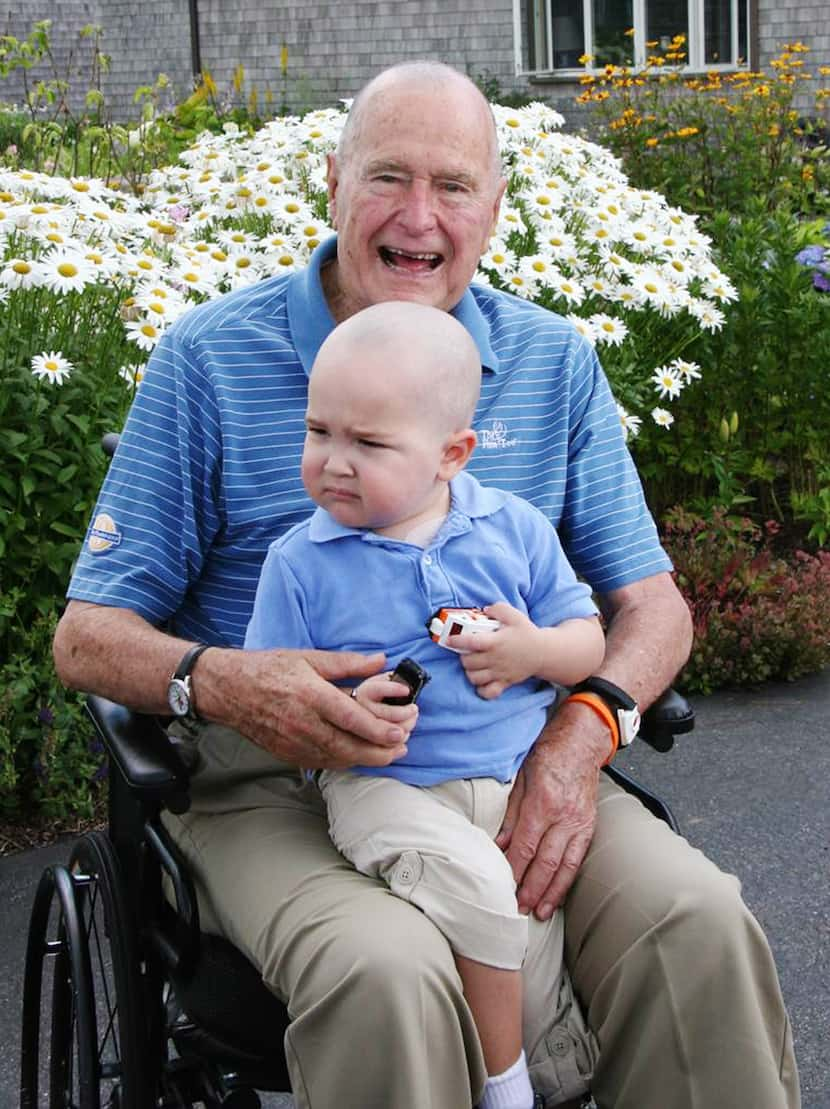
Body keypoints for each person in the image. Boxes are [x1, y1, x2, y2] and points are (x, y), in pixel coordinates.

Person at [53, 61, 799, 1109]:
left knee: (696, 920)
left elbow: (651, 604)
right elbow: (86, 636)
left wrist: (583, 731)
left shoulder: (549, 361)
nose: (418, 217)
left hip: (509, 751)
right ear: (330, 184)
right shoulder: (209, 359)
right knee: (385, 970)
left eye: (452, 186)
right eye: (386, 177)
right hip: (275, 778)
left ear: (493, 206)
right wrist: (230, 681)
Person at [244, 300, 606, 1109]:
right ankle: (504, 1090)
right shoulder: (301, 562)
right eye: (318, 432)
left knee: (529, 936)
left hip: (512, 782)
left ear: (452, 454)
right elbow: (268, 691)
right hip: (382, 786)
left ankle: (539, 1068)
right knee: (479, 887)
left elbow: (587, 641)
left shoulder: (510, 528)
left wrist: (532, 652)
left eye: (368, 443)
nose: (334, 461)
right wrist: (342, 710)